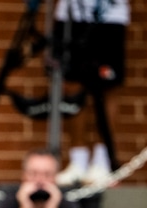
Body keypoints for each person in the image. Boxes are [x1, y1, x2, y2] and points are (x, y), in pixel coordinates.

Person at [53, 0, 129, 187]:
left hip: (110, 16)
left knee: (108, 87)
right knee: (72, 85)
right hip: (71, 16)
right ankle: (78, 161)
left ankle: (103, 161)